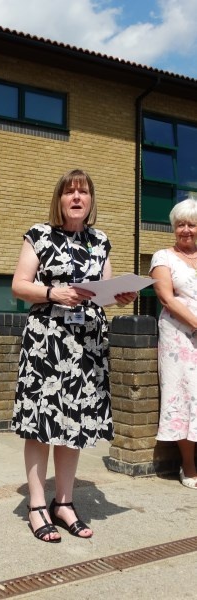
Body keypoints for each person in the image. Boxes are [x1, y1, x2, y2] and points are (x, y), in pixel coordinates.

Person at [11, 169, 137, 542]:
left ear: (91, 200)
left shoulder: (100, 241)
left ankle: (64, 503)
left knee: (75, 424)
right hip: (47, 341)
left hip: (88, 345)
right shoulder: (39, 235)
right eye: (70, 192)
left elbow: (102, 293)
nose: (77, 197)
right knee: (41, 423)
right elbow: (19, 285)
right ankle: (37, 505)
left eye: (83, 192)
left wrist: (119, 296)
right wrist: (54, 293)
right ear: (60, 199)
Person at [149, 199, 197, 489]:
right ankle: (189, 467)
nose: (186, 229)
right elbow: (166, 298)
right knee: (183, 396)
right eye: (180, 224)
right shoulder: (162, 257)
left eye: (191, 224)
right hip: (179, 338)